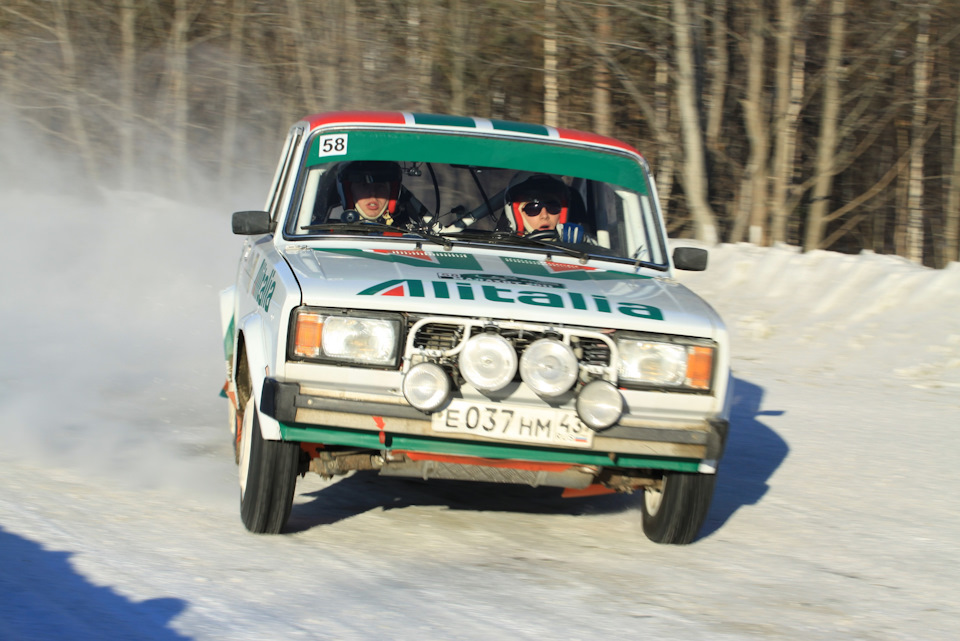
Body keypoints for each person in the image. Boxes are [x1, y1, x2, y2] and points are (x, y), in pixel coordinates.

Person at [503, 173, 585, 243]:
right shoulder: (501, 250)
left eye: (553, 207)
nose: (544, 215)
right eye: (533, 208)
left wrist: (581, 243)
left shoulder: (584, 246)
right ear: (517, 215)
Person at [336, 161, 420, 228]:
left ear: (391, 192)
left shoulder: (412, 234)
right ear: (349, 191)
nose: (373, 193)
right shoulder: (328, 233)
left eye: (381, 186)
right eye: (364, 185)